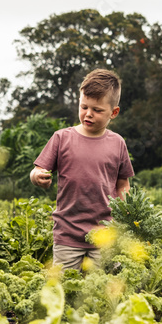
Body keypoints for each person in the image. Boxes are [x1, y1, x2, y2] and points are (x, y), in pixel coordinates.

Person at [30, 69, 134, 270]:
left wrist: (127, 213)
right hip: (67, 234)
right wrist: (37, 176)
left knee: (103, 291)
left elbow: (123, 184)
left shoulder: (118, 143)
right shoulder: (62, 138)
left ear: (113, 112)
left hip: (106, 235)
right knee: (65, 289)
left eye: (97, 110)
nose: (88, 113)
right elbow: (38, 169)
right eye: (84, 106)